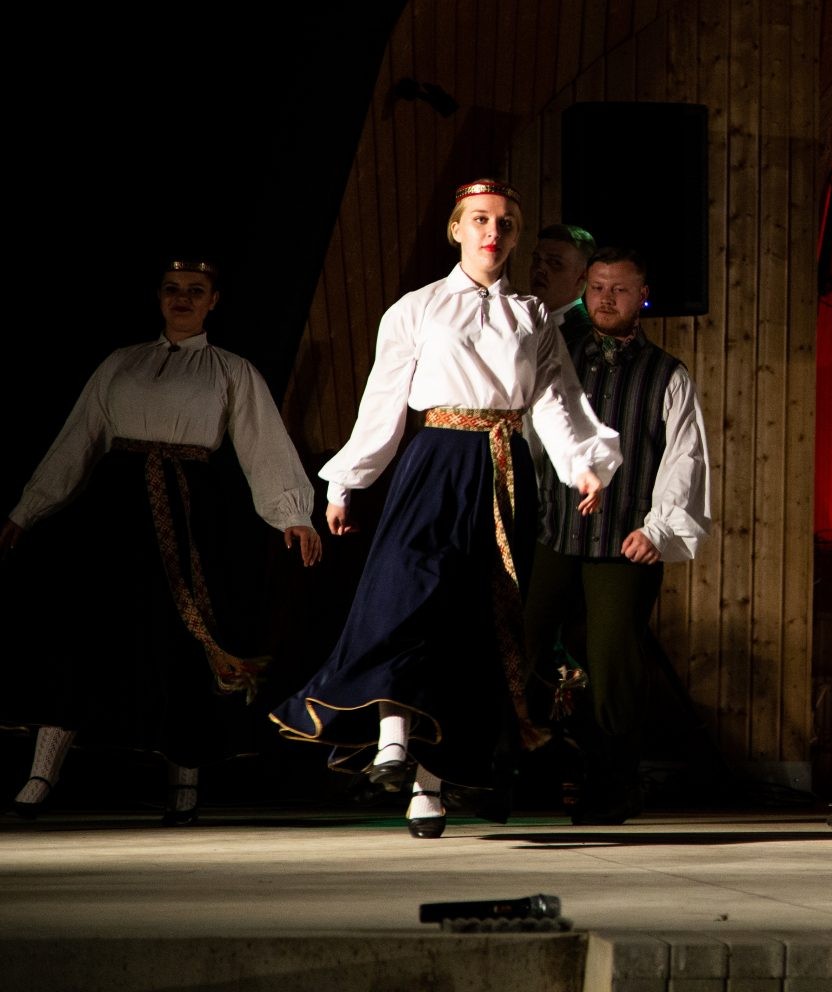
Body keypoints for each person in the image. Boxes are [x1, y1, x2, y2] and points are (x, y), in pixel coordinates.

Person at [271, 179, 620, 838]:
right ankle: (391, 742)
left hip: (503, 469)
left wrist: (583, 466)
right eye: (480, 220)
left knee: (471, 624)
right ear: (457, 229)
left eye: (506, 223)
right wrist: (345, 483)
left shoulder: (531, 316)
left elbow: (556, 399)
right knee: (402, 596)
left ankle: (429, 786)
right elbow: (383, 402)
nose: (493, 232)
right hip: (435, 461)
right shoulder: (417, 309)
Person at [2, 260, 322, 824]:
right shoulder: (122, 362)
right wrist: (28, 509)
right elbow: (79, 437)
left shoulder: (230, 369)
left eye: (196, 291)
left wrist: (292, 514)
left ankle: (184, 781)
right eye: (173, 289)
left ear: (213, 301)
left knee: (184, 641)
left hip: (190, 510)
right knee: (85, 631)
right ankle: (42, 772)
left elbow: (262, 442)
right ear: (158, 296)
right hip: (116, 512)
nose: (183, 298)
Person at [524, 246, 711, 824]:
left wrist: (659, 528)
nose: (606, 298)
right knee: (521, 643)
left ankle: (613, 786)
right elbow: (531, 438)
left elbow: (684, 459)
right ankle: (517, 772)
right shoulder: (557, 357)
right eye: (598, 287)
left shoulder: (667, 375)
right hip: (554, 530)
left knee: (613, 666)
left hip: (623, 540)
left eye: (620, 289)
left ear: (642, 297)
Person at [529, 224, 598, 343]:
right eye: (536, 259)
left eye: (555, 262)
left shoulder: (588, 338)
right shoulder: (522, 321)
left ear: (582, 277)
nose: (540, 268)